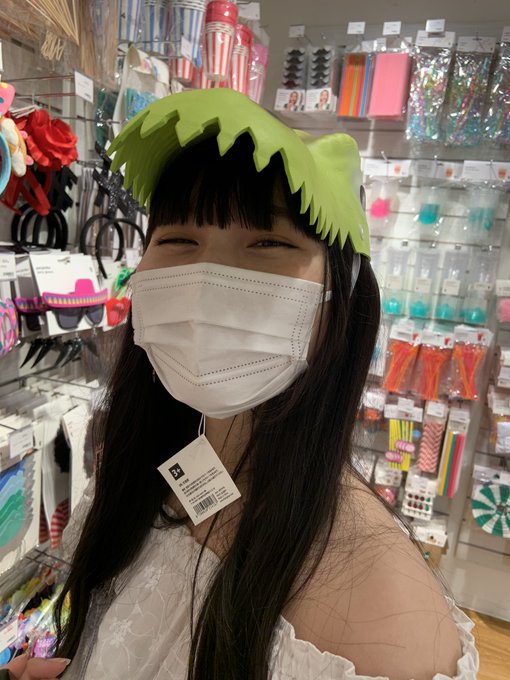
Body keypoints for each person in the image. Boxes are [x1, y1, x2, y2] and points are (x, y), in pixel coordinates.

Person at [0, 90, 478, 680]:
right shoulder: (140, 473)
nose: (207, 278)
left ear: (341, 294)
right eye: (177, 239)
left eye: (268, 242)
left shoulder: (385, 618)